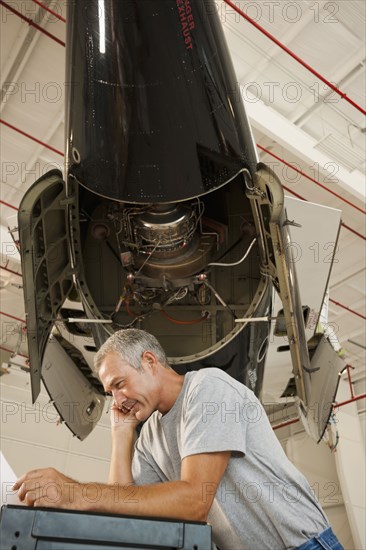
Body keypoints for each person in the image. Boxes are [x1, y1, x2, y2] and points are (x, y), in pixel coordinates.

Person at [14, 328, 343, 550]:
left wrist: (76, 493)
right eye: (109, 392)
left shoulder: (208, 389)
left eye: (119, 383)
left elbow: (193, 502)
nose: (116, 400)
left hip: (303, 545)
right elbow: (121, 508)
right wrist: (121, 435)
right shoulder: (150, 435)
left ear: (149, 362)